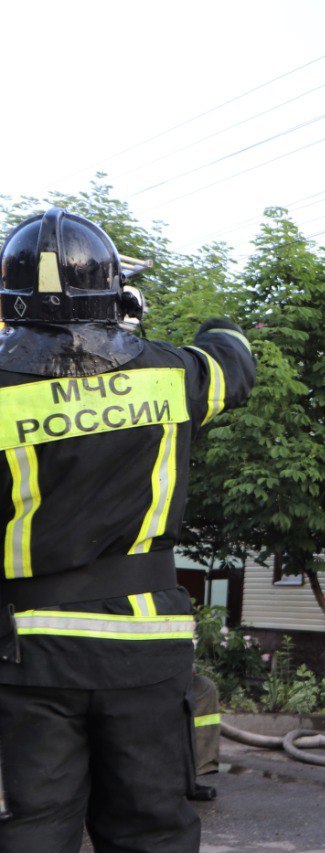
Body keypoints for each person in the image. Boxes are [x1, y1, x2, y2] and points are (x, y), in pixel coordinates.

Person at [0, 207, 255, 851]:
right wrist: (167, 324)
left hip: (28, 652)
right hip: (146, 646)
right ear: (117, 295)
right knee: (150, 829)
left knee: (32, 827)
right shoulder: (174, 375)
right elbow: (235, 359)